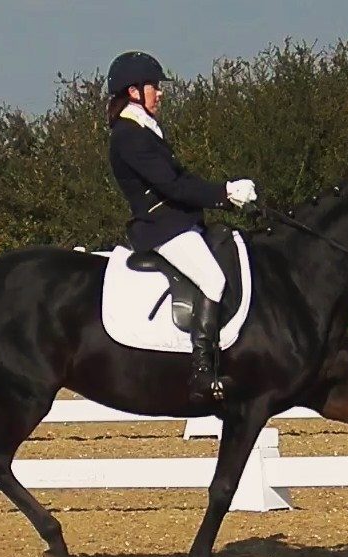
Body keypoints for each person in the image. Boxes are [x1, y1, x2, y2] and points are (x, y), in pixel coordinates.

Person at [105, 51, 257, 402]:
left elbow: (183, 178)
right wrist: (224, 193)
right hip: (160, 227)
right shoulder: (129, 136)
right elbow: (172, 186)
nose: (160, 93)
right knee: (213, 279)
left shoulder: (145, 129)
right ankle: (203, 371)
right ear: (133, 91)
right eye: (153, 87)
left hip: (177, 221)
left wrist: (228, 193)